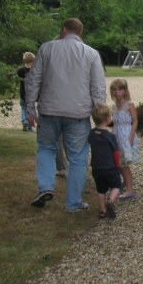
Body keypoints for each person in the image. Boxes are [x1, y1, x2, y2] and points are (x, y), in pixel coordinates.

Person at [26, 18, 106, 211]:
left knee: (46, 148)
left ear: (63, 29)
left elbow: (33, 80)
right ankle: (73, 203)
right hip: (78, 113)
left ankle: (45, 187)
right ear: (80, 33)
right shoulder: (91, 54)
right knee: (78, 158)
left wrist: (30, 108)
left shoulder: (46, 49)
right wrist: (101, 117)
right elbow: (98, 87)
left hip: (49, 110)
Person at [88, 103, 122, 220]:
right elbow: (116, 152)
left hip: (96, 167)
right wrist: (117, 164)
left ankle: (102, 211)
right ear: (108, 119)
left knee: (100, 190)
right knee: (116, 185)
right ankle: (111, 200)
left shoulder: (91, 134)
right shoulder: (110, 136)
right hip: (110, 167)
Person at [110, 78, 140, 199]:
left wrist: (131, 136)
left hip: (125, 136)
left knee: (124, 164)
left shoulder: (129, 105)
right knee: (118, 162)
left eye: (119, 89)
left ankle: (129, 189)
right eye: (114, 89)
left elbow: (135, 120)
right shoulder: (113, 107)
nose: (116, 92)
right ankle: (124, 182)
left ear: (125, 91)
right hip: (116, 135)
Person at [15, 52, 36, 132]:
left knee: (23, 108)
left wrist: (13, 93)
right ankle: (30, 127)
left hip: (23, 93)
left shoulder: (20, 71)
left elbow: (16, 82)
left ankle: (24, 121)